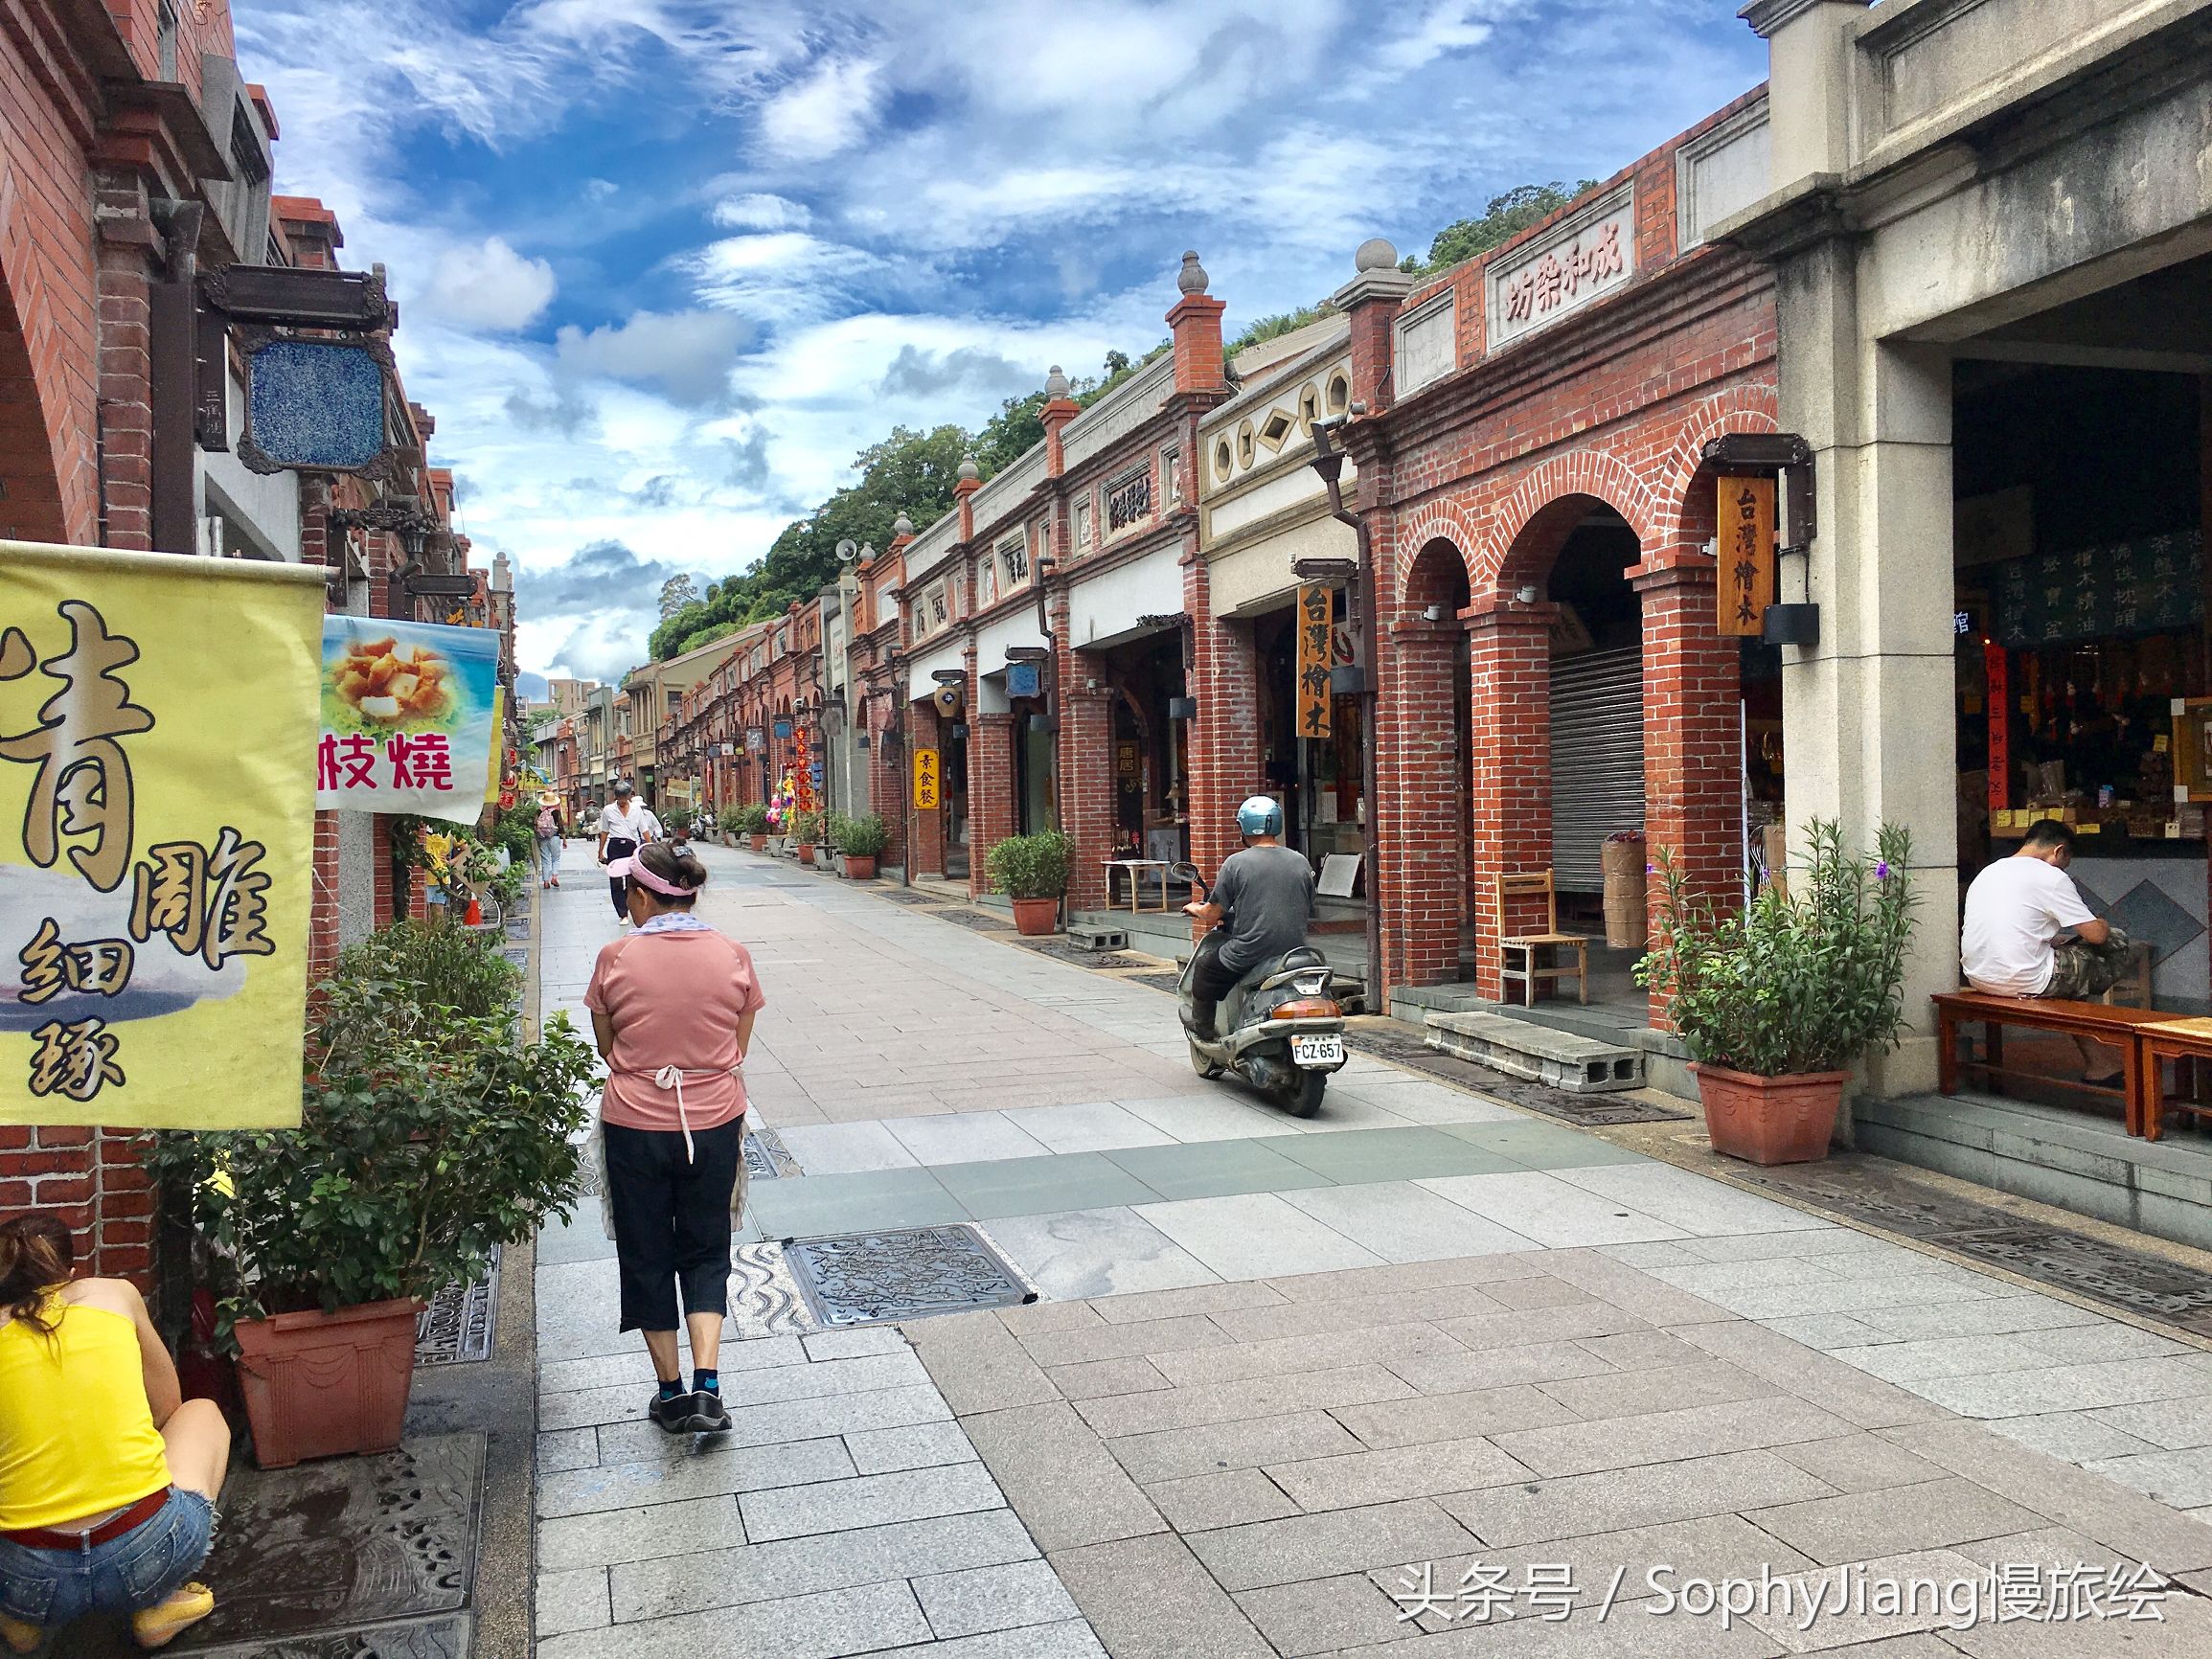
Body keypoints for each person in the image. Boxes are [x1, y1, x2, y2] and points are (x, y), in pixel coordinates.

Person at [584, 842, 765, 1434]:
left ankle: (670, 1392)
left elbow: (607, 1048)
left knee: (646, 1252)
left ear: (641, 894)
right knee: (706, 1247)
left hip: (635, 1125)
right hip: (714, 1123)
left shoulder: (616, 958)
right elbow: (738, 1046)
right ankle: (709, 1387)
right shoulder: (732, 954)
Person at [0, 1216, 230, 1653]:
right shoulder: (114, 1295)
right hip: (148, 1554)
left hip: (24, 1578)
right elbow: (168, 1406)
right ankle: (157, 1604)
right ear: (71, 1273)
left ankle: (19, 1618)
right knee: (202, 1413)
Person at [1960, 818, 2133, 1083]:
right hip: (2025, 979)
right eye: (2065, 863)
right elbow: (2096, 936)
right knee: (2116, 942)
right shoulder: (2050, 876)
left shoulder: (1988, 872)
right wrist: (2103, 923)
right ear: (2058, 851)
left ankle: (2099, 1063)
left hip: (1979, 976)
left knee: (2070, 966)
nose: (2064, 869)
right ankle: (2099, 1062)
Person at [1182, 795, 1315, 1039]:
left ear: (1244, 827)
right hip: (1295, 950)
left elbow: (1213, 913)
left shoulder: (1236, 863)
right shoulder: (1301, 861)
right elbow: (1308, 904)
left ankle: (1203, 1028)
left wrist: (1194, 908)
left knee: (1205, 968)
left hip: (1251, 950)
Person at [596, 780, 662, 924]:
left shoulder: (636, 810)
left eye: (623, 798)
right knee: (616, 880)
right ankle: (622, 913)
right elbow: (604, 832)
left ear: (629, 796)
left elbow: (644, 830)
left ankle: (629, 905)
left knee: (632, 880)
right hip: (615, 846)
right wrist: (600, 852)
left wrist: (650, 848)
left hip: (631, 846)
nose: (621, 801)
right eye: (618, 798)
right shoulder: (608, 810)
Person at [534, 793, 565, 890]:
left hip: (543, 838)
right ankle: (554, 877)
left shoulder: (539, 811)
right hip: (554, 837)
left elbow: (534, 824)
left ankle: (546, 882)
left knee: (545, 859)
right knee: (556, 858)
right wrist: (564, 839)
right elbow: (560, 826)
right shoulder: (556, 812)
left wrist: (538, 835)